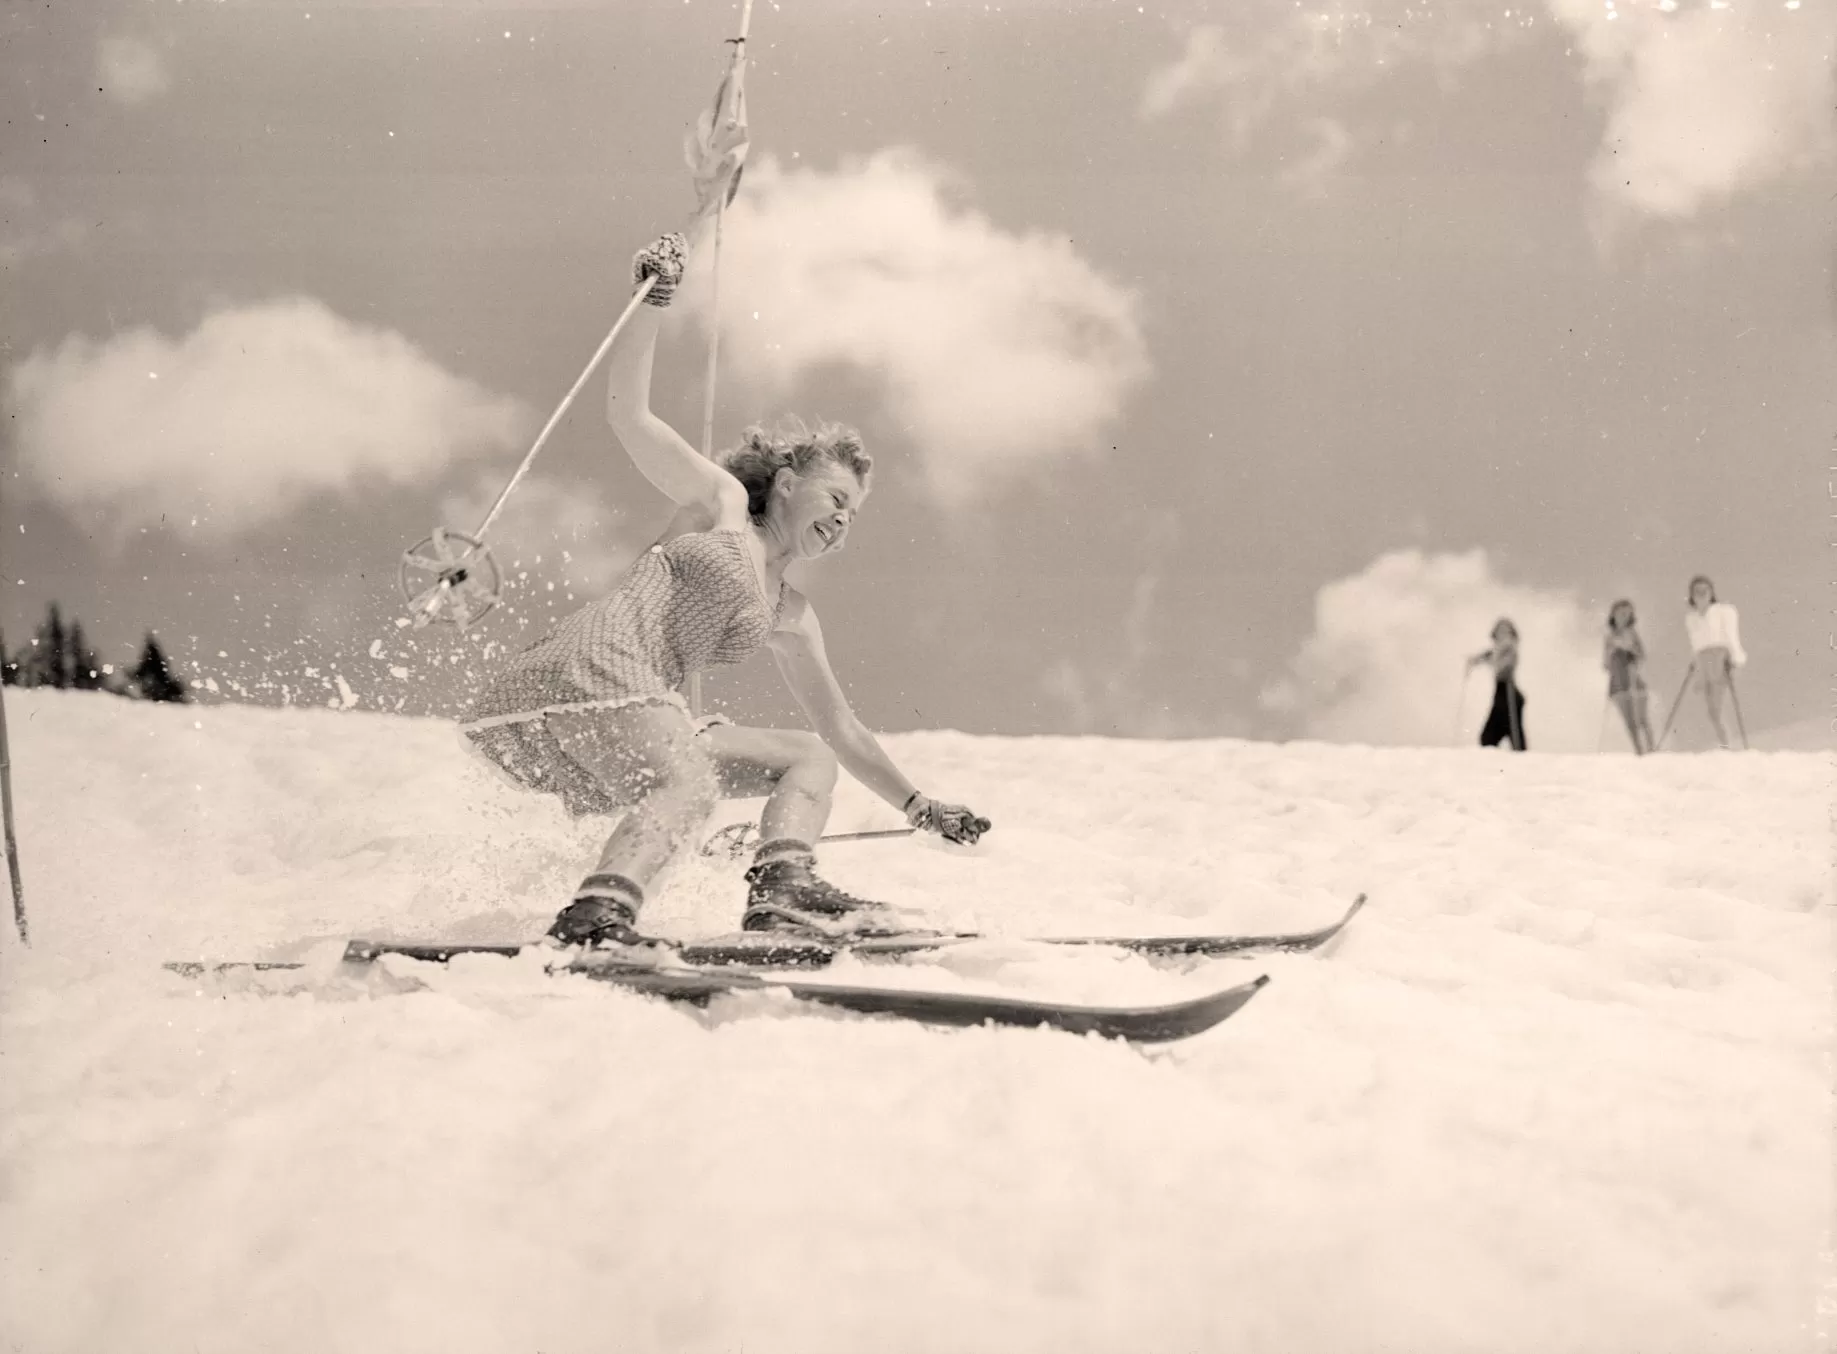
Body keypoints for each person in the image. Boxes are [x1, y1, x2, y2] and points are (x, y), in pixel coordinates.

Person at [459, 230, 991, 949]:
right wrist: (656, 297)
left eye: (854, 515)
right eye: (836, 498)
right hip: (586, 674)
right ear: (789, 482)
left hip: (614, 713)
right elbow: (629, 417)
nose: (842, 520)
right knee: (688, 786)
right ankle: (594, 919)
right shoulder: (720, 507)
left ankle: (783, 895)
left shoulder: (790, 612)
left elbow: (844, 730)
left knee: (807, 756)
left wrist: (920, 806)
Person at [1682, 574, 1747, 749]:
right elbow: (1695, 643)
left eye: (1705, 590)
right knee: (1710, 710)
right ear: (1692, 595)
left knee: (1716, 708)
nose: (1702, 594)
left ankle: (1727, 744)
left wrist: (1734, 658)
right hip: (1703, 662)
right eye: (1697, 591)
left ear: (1711, 592)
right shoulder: (1691, 618)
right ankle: (1725, 743)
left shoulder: (1724, 611)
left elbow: (1732, 636)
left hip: (1719, 658)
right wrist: (1694, 663)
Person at [1602, 600, 1655, 754]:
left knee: (1642, 719)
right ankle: (1640, 752)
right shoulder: (1609, 637)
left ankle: (1651, 750)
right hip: (1618, 684)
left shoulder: (1632, 634)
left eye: (1627, 613)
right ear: (1613, 614)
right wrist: (1612, 650)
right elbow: (1605, 664)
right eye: (1621, 613)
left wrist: (1627, 647)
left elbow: (1642, 656)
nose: (1624, 616)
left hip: (1634, 681)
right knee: (1630, 723)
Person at [1466, 618, 1527, 751]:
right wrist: (1474, 660)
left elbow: (1507, 664)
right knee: (1493, 737)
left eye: (1505, 631)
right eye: (1500, 630)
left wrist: (1506, 666)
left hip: (1509, 694)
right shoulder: (1497, 649)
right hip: (1503, 694)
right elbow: (1487, 656)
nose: (1503, 634)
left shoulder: (1509, 647)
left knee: (1495, 736)